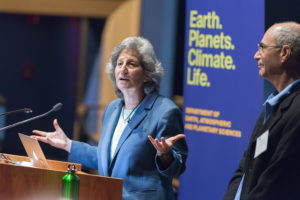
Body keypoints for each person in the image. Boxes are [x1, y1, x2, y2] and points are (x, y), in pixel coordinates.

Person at [32, 36, 188, 200]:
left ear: (147, 75)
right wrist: (67, 144)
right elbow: (107, 158)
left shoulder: (165, 111)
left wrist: (165, 156)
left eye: (131, 64)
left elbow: (177, 167)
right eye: (119, 63)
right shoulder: (112, 110)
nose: (123, 69)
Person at [223, 21, 300, 200]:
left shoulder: (296, 112)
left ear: (284, 53)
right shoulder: (273, 106)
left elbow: (276, 182)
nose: (256, 56)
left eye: (262, 48)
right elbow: (245, 166)